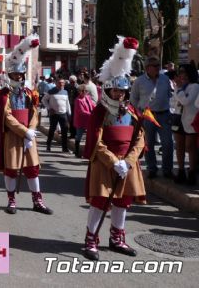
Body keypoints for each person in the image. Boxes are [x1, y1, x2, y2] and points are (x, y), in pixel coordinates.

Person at [82, 36, 145, 261]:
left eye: (122, 92)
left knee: (122, 201)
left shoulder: (131, 112)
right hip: (105, 164)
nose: (119, 95)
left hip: (127, 164)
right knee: (100, 201)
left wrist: (128, 161)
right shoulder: (99, 112)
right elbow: (96, 141)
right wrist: (113, 161)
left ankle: (117, 237)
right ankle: (91, 239)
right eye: (114, 91)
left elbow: (140, 139)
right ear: (107, 91)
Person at [0, 35, 52, 215]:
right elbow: (7, 116)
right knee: (11, 169)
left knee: (33, 169)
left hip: (29, 136)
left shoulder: (29, 93)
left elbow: (34, 112)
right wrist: (24, 131)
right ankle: (11, 200)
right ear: (9, 74)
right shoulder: (4, 94)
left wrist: (32, 130)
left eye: (20, 74)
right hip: (13, 136)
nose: (18, 76)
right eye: (15, 74)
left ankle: (37, 200)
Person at [130, 56, 174, 179]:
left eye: (158, 65)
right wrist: (139, 114)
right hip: (147, 116)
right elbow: (133, 99)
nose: (157, 67)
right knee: (148, 144)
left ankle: (167, 169)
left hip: (164, 115)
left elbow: (171, 95)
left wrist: (171, 111)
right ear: (147, 68)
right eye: (154, 65)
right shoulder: (139, 81)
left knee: (168, 143)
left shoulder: (165, 79)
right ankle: (152, 168)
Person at [173, 64, 199, 185]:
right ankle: (181, 170)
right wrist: (178, 89)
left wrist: (179, 89)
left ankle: (192, 172)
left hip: (190, 120)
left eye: (183, 72)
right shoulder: (179, 87)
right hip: (179, 119)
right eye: (179, 72)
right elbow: (174, 101)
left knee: (190, 147)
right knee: (179, 146)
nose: (180, 75)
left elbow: (186, 101)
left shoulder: (195, 87)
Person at [42, 78, 71, 153]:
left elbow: (67, 103)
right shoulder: (51, 91)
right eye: (59, 83)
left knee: (64, 132)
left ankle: (64, 148)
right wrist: (49, 108)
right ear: (56, 83)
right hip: (54, 114)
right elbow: (44, 100)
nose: (61, 84)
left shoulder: (65, 92)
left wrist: (69, 113)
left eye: (62, 83)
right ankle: (48, 146)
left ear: (64, 84)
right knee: (52, 130)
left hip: (63, 114)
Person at [73, 85, 95, 158]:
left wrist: (96, 110)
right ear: (79, 91)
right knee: (79, 136)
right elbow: (81, 111)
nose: (84, 92)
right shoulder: (78, 100)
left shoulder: (88, 97)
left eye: (85, 91)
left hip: (89, 120)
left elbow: (92, 105)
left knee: (89, 137)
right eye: (82, 91)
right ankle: (76, 151)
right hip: (81, 121)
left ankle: (87, 152)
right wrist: (92, 114)